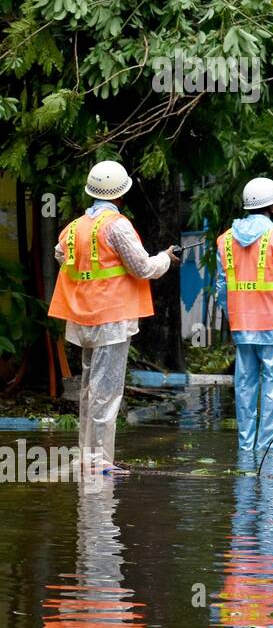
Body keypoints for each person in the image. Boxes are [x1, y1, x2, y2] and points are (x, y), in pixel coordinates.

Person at [48, 161, 179, 475]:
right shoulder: (117, 225)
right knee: (106, 391)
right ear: (121, 195)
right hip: (112, 318)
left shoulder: (75, 227)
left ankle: (87, 456)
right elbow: (143, 268)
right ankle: (99, 462)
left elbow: (60, 254)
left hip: (83, 317)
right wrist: (166, 258)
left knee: (89, 390)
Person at [216, 177, 273, 456]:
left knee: (244, 387)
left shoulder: (225, 240)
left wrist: (233, 319)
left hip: (242, 326)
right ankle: (267, 450)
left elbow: (222, 287)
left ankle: (245, 449)